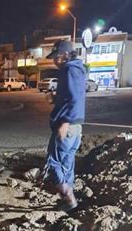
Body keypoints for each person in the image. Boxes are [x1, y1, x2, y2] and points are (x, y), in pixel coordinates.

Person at [39, 40, 86, 211]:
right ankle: (68, 201)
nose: (54, 61)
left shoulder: (69, 70)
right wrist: (54, 99)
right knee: (67, 162)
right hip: (76, 128)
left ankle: (68, 197)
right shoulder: (77, 69)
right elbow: (71, 97)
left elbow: (74, 98)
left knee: (54, 163)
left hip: (67, 126)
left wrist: (65, 121)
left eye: (57, 57)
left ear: (65, 55)